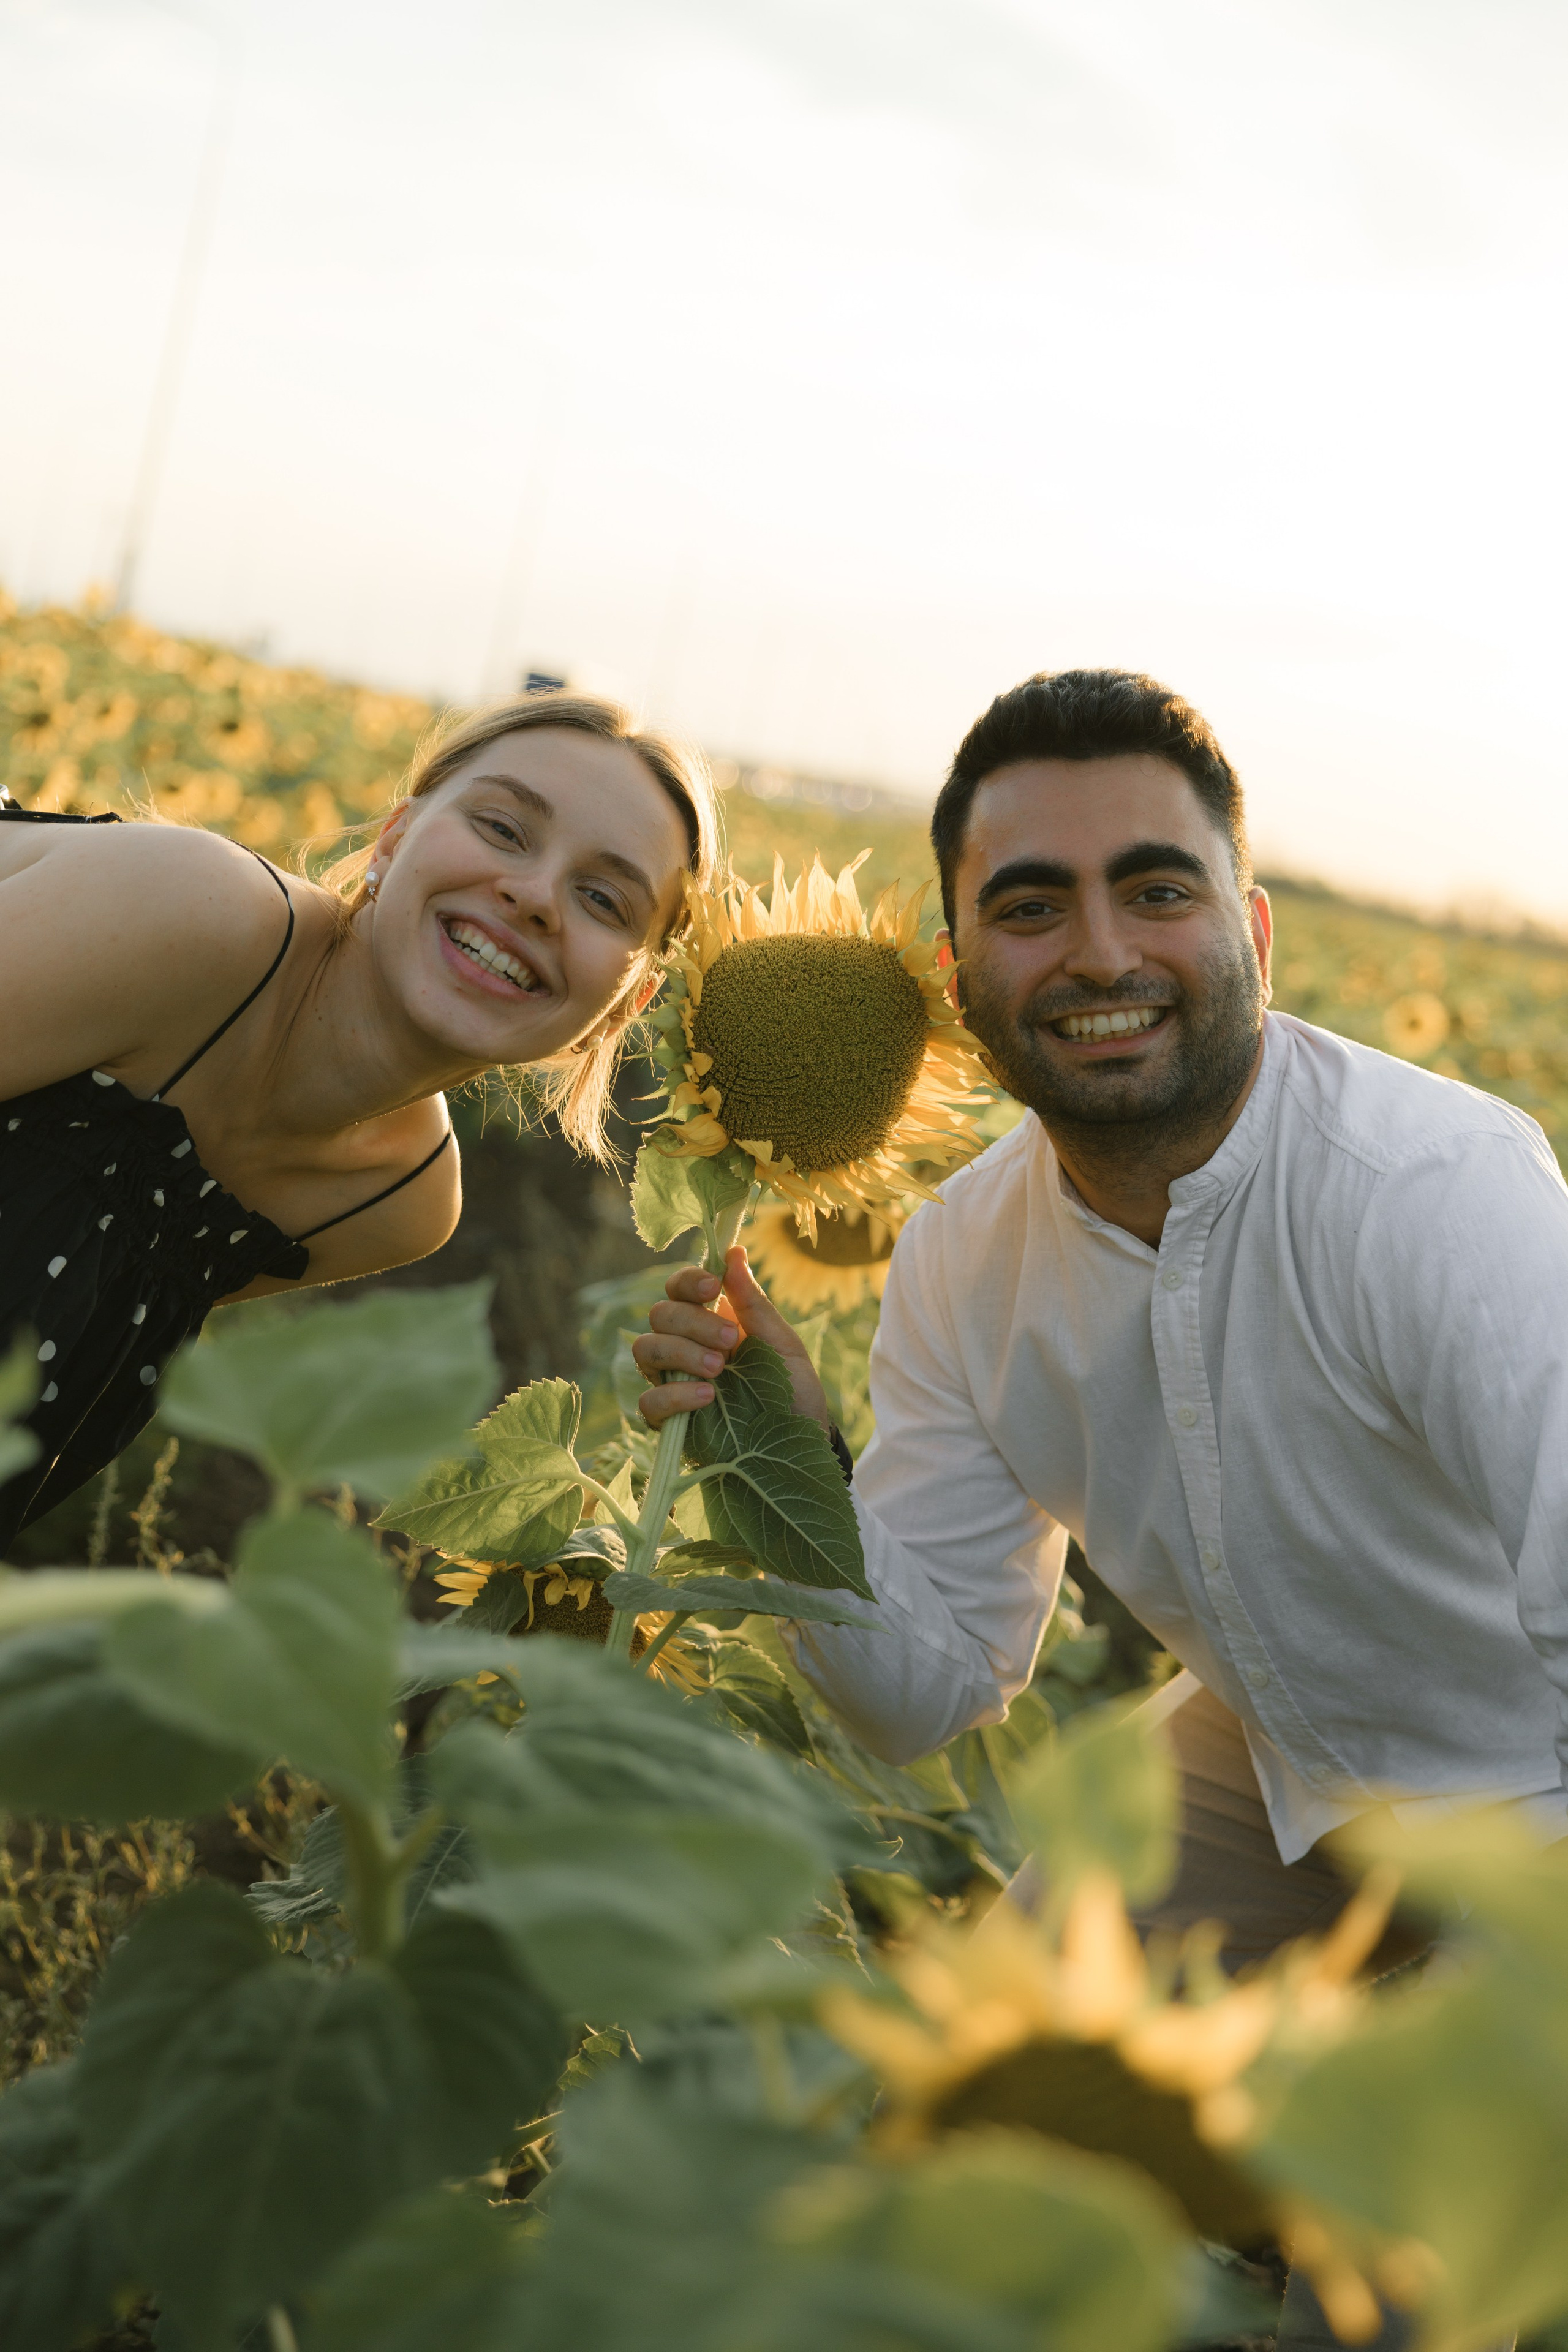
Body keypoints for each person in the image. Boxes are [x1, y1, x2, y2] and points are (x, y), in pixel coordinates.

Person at [637, 665, 1568, 1971]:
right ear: (956, 978)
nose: (1102, 954)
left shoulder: (1429, 1191)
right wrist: (795, 1461)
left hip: (1530, 1783)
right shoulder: (962, 1257)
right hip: (1283, 1762)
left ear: (1253, 935)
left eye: (1158, 892)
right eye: (1031, 908)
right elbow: (924, 1694)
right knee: (1005, 2028)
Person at [0, 690, 718, 1551]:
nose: (534, 896)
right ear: (394, 838)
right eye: (502, 828)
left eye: (603, 899)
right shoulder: (195, 913)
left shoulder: (394, 1202)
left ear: (625, 1005)